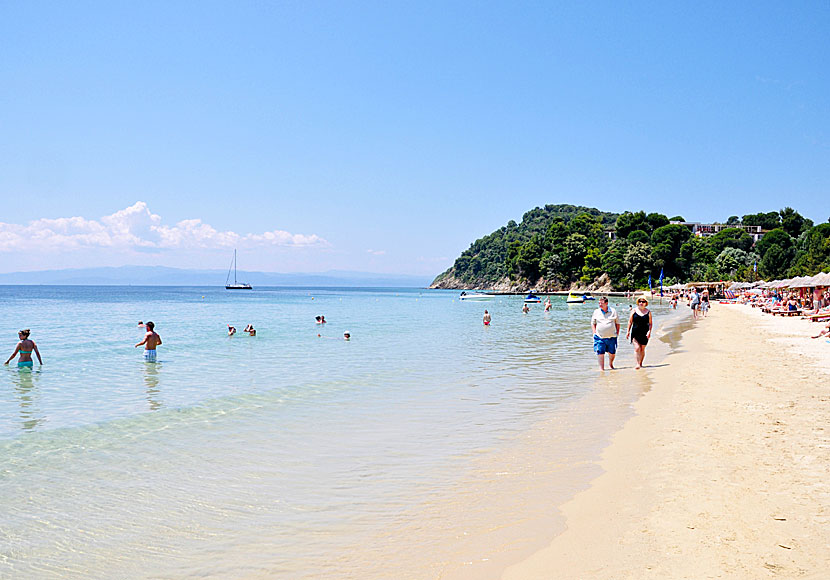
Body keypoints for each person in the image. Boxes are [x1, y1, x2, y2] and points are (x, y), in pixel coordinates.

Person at [591, 297, 619, 371]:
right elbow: (593, 323)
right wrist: (594, 333)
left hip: (612, 336)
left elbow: (617, 323)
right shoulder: (596, 312)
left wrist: (617, 333)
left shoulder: (613, 311)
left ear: (606, 303)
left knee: (612, 353)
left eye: (602, 303)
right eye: (599, 303)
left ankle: (610, 364)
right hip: (599, 336)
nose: (600, 304)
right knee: (600, 352)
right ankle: (601, 369)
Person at [626, 296, 653, 369]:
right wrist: (628, 331)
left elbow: (650, 323)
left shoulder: (648, 312)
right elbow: (630, 322)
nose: (641, 303)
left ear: (646, 303)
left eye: (643, 301)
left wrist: (649, 332)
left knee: (642, 349)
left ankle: (641, 363)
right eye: (640, 301)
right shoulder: (634, 311)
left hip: (645, 332)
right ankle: (637, 363)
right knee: (637, 348)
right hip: (635, 332)